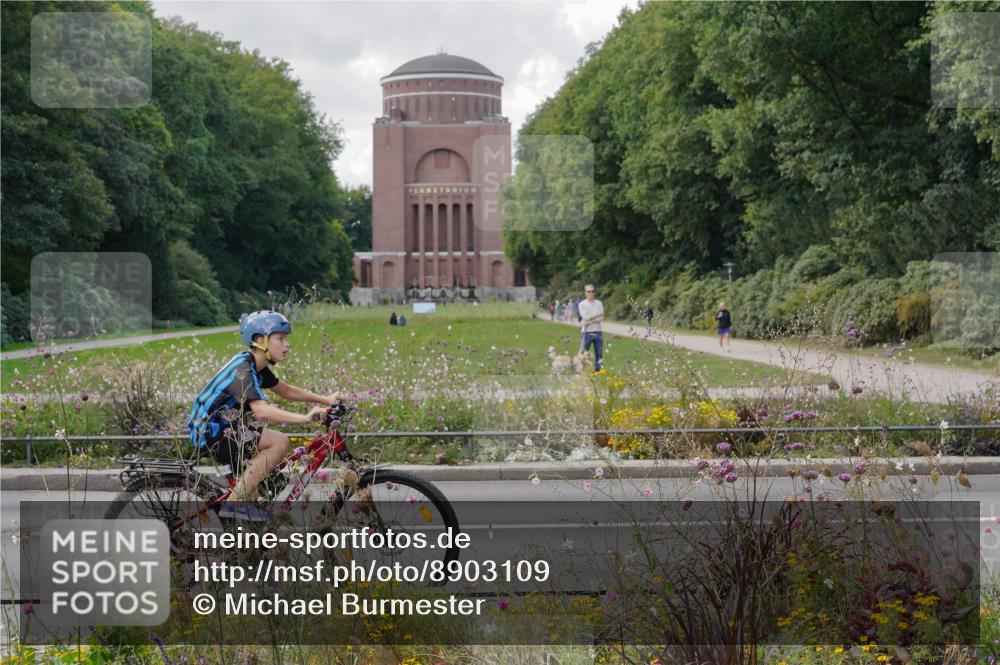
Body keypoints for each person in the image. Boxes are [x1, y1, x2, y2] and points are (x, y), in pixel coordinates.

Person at [187, 310, 344, 521]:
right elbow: (261, 409)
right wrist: (307, 418)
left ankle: (245, 527)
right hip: (212, 432)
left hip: (228, 429)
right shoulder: (243, 370)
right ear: (260, 340)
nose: (287, 344)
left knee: (267, 481)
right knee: (279, 441)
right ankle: (235, 503)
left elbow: (286, 390)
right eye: (280, 338)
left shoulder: (257, 367)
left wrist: (326, 400)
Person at [578, 284, 605, 372]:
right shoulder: (582, 304)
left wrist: (589, 322)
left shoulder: (599, 303)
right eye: (589, 291)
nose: (591, 293)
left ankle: (599, 370)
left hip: (598, 331)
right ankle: (580, 370)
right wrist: (597, 315)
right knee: (583, 352)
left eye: (592, 291)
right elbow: (585, 316)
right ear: (585, 293)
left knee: (599, 352)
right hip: (586, 332)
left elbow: (601, 317)